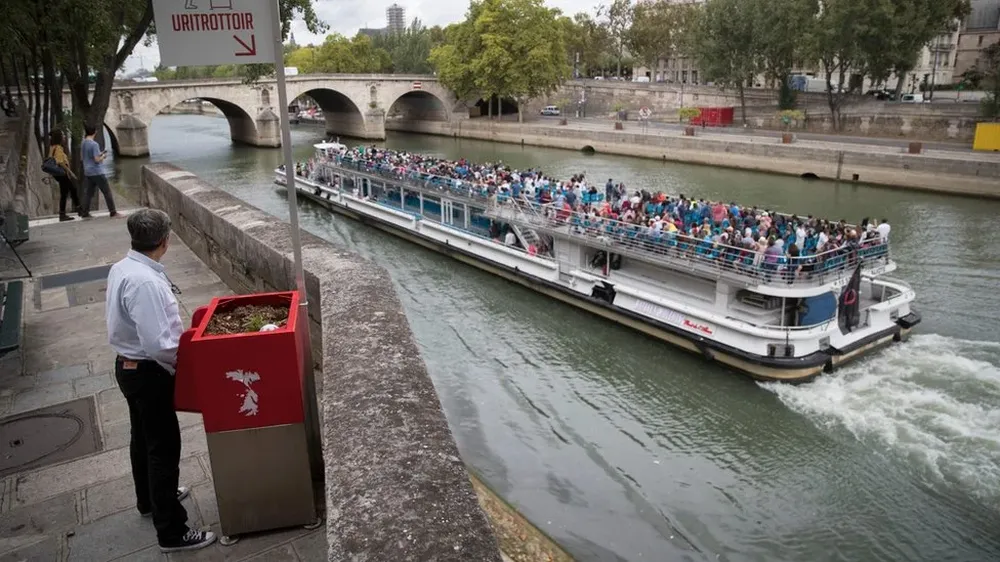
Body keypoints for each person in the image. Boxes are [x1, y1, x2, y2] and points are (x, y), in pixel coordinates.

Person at [105, 209, 216, 553]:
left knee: (143, 439)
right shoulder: (146, 282)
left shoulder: (123, 268)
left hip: (128, 367)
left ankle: (149, 500)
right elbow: (159, 344)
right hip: (149, 372)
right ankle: (172, 531)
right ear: (165, 241)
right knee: (163, 449)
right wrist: (184, 367)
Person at [80, 124, 119, 218]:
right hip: (97, 172)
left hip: (88, 171)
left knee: (89, 193)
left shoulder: (84, 143)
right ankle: (113, 212)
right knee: (107, 192)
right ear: (95, 132)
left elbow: (85, 157)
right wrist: (103, 156)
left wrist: (99, 153)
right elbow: (97, 160)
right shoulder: (94, 144)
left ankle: (85, 212)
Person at [47, 130, 82, 221]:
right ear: (59, 138)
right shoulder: (58, 148)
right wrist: (70, 172)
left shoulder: (53, 147)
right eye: (63, 136)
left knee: (67, 192)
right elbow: (60, 162)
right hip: (62, 173)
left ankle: (66, 212)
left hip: (58, 174)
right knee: (71, 190)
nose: (64, 137)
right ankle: (78, 209)